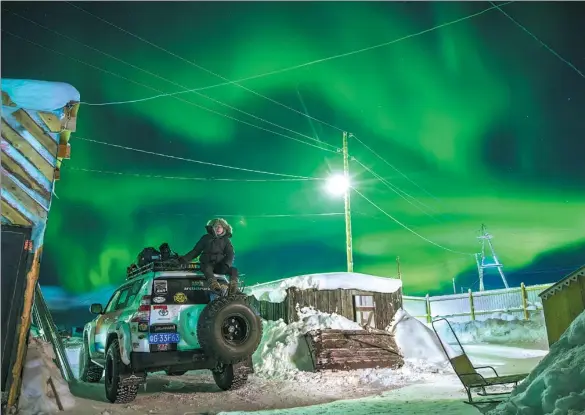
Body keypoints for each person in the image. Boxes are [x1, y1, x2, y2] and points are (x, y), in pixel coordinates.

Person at [179, 218, 239, 294]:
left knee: (234, 270)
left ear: (224, 228)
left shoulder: (226, 240)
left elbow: (230, 253)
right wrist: (184, 259)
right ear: (212, 228)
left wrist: (227, 264)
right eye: (216, 226)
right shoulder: (205, 238)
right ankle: (214, 285)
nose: (218, 228)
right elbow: (196, 251)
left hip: (220, 265)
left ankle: (234, 288)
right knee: (207, 269)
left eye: (220, 227)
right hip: (207, 263)